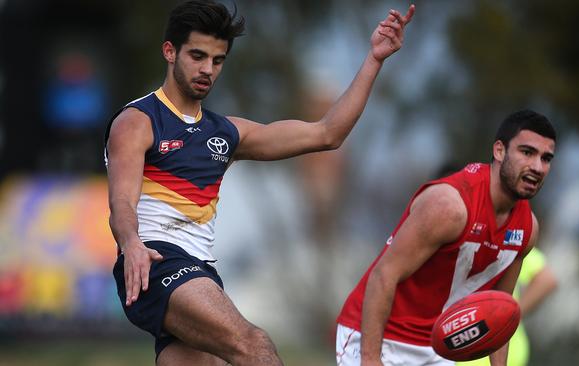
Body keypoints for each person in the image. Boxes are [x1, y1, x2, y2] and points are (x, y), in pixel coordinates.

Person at [104, 1, 415, 365]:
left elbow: (327, 134)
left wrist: (374, 59)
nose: (207, 69)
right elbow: (121, 204)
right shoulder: (137, 121)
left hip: (200, 270)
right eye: (198, 56)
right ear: (170, 52)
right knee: (254, 344)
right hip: (156, 263)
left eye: (217, 60)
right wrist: (132, 244)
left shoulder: (226, 132)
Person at [336, 110, 557, 366]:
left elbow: (500, 311)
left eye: (546, 158)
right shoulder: (450, 206)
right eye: (527, 152)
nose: (537, 167)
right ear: (499, 151)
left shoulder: (527, 228)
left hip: (436, 350)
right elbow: (383, 276)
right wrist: (370, 359)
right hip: (379, 339)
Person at [457, 247, 558, 366]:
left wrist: (507, 317)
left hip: (486, 351)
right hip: (492, 350)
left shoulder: (505, 241)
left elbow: (546, 280)